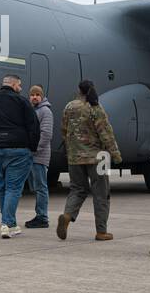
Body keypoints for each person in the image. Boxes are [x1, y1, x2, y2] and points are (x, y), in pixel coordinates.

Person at [57, 80, 122, 241]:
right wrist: (115, 154)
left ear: (79, 91)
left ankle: (67, 215)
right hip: (99, 158)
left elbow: (64, 131)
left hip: (74, 157)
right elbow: (106, 133)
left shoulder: (69, 107)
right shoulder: (96, 108)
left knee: (77, 190)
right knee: (101, 193)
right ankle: (101, 231)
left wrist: (71, 149)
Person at [0, 74, 40, 239]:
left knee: (3, 187)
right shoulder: (22, 102)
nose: (20, 88)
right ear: (13, 84)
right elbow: (33, 126)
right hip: (18, 149)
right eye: (19, 85)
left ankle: (10, 224)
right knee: (14, 188)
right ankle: (6, 223)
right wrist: (32, 147)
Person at [25, 85, 53, 229]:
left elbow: (46, 134)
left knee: (41, 187)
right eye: (32, 94)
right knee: (36, 188)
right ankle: (39, 215)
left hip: (39, 156)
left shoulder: (45, 111)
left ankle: (42, 217)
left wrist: (34, 150)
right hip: (31, 155)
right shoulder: (31, 110)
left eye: (37, 94)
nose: (34, 97)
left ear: (41, 96)